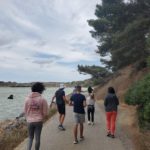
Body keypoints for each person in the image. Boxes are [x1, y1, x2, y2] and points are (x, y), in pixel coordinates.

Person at [24, 82, 48, 150]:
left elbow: (25, 111)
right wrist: (43, 117)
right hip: (39, 121)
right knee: (37, 138)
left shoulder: (27, 99)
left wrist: (28, 118)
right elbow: (45, 113)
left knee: (30, 138)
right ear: (41, 90)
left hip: (29, 121)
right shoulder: (43, 99)